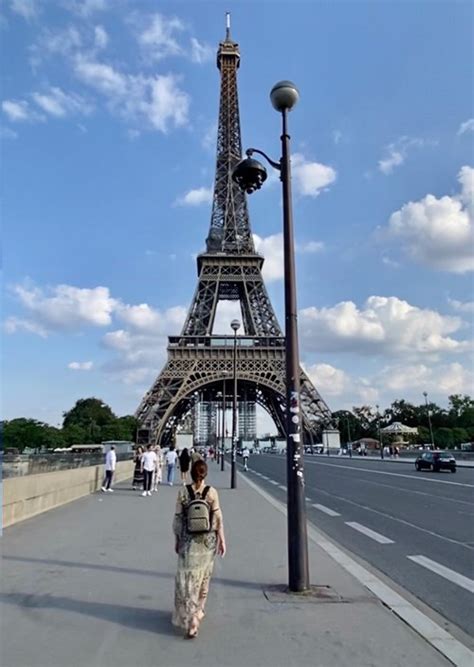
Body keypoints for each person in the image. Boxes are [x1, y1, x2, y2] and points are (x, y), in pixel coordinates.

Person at [172, 460, 226, 638]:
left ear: (190, 473)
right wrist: (222, 540)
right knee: (204, 578)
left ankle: (188, 614)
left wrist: (177, 540)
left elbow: (178, 519)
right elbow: (218, 518)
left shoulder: (183, 492)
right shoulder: (211, 492)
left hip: (188, 542)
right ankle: (198, 614)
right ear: (205, 474)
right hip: (207, 542)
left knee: (187, 579)